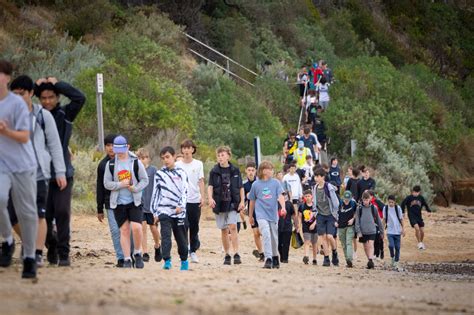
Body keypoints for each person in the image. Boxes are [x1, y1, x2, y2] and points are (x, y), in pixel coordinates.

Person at [7, 75, 66, 268]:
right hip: (13, 171)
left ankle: (37, 253)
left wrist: (60, 172)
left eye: (22, 94)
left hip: (39, 172)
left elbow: (55, 145)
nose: (18, 97)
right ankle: (31, 243)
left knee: (39, 214)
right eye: (14, 94)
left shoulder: (43, 115)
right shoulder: (8, 114)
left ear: (31, 93)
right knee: (11, 213)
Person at [34, 76, 86, 266]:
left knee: (63, 212)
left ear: (57, 97)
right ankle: (52, 244)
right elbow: (19, 98)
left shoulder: (65, 114)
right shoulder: (35, 116)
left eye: (51, 97)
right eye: (43, 98)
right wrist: (35, 86)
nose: (47, 101)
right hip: (41, 173)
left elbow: (80, 98)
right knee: (44, 216)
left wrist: (57, 85)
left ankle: (64, 253)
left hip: (64, 172)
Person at [0, 60, 38, 278]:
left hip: (23, 164)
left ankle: (30, 257)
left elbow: (24, 136)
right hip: (2, 164)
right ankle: (7, 240)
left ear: (6, 77)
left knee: (26, 212)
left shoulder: (16, 104)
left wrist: (5, 132)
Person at [104, 135, 149, 269]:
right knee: (123, 230)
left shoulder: (135, 162)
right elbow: (106, 183)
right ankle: (127, 259)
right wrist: (119, 184)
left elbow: (145, 180)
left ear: (127, 147)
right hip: (118, 202)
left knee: (137, 227)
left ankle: (137, 252)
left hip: (134, 201)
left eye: (122, 149)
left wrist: (135, 188)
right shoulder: (110, 164)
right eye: (117, 149)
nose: (119, 152)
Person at [150, 146, 189, 270]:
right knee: (165, 235)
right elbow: (155, 193)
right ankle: (167, 260)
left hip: (179, 212)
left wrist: (181, 205)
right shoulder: (159, 174)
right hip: (164, 210)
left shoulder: (182, 173)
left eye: (167, 157)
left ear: (173, 156)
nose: (165, 160)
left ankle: (184, 261)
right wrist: (154, 212)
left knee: (181, 238)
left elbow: (185, 191)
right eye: (163, 158)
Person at [208, 146, 244, 265]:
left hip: (233, 203)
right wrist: (210, 198)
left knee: (233, 227)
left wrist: (242, 201)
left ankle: (236, 253)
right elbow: (210, 186)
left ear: (228, 156)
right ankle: (227, 254)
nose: (220, 157)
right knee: (223, 230)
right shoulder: (214, 171)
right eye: (218, 156)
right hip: (219, 203)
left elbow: (240, 187)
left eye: (223, 155)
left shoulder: (235, 170)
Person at [97, 134, 129, 267]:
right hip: (110, 203)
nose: (111, 148)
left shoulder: (125, 161)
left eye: (113, 145)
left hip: (126, 201)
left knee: (126, 229)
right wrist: (99, 208)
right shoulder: (102, 165)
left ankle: (129, 255)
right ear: (105, 147)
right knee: (115, 230)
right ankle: (121, 257)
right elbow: (100, 186)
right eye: (108, 145)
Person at [248, 161, 286, 269]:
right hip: (261, 214)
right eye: (270, 169)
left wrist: (283, 207)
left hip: (273, 214)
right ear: (264, 171)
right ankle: (268, 258)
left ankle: (275, 257)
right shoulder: (256, 184)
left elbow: (280, 196)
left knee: (274, 236)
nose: (272, 171)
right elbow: (252, 201)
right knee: (266, 234)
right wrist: (250, 216)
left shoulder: (276, 183)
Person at [175, 139, 205, 263]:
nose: (186, 150)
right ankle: (185, 249)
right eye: (184, 148)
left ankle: (193, 251)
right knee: (184, 225)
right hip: (182, 201)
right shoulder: (177, 165)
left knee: (194, 226)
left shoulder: (198, 164)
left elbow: (201, 181)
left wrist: (203, 197)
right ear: (182, 150)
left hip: (195, 200)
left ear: (193, 150)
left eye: (189, 148)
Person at [136, 147, 162, 263]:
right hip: (140, 205)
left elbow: (159, 186)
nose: (143, 160)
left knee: (153, 228)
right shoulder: (135, 171)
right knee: (142, 229)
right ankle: (145, 252)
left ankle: (157, 245)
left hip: (152, 206)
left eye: (145, 158)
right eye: (141, 158)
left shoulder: (154, 170)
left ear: (149, 159)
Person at [312, 167, 340, 267]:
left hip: (330, 216)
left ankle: (335, 252)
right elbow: (314, 202)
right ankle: (326, 258)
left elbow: (336, 203)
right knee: (322, 237)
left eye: (318, 176)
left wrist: (336, 215)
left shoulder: (329, 187)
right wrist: (314, 212)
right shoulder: (314, 188)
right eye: (315, 176)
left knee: (330, 236)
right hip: (320, 215)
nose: (316, 178)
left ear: (323, 177)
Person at [355, 191, 384, 269]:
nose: (365, 202)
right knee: (365, 247)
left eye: (367, 200)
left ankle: (371, 259)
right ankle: (370, 261)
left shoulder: (373, 208)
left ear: (369, 199)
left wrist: (382, 231)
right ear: (362, 199)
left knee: (371, 245)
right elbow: (357, 221)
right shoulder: (359, 208)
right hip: (363, 231)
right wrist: (358, 232)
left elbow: (378, 220)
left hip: (372, 230)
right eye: (364, 200)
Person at [243, 161, 263, 261]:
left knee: (263, 231)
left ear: (256, 171)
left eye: (252, 170)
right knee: (256, 233)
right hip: (252, 212)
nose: (251, 172)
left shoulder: (260, 182)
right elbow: (243, 199)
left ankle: (269, 252)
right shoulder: (244, 185)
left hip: (262, 210)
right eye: (249, 170)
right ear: (246, 171)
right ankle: (261, 253)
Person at [401, 185, 432, 250]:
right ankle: (419, 243)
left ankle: (421, 242)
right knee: (417, 229)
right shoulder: (409, 198)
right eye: (414, 192)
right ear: (412, 191)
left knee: (422, 231)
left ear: (419, 192)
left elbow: (425, 204)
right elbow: (403, 204)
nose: (415, 193)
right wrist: (403, 212)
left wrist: (429, 211)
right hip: (411, 216)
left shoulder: (421, 198)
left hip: (419, 216)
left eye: (417, 192)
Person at [383, 195, 405, 269]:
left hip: (398, 231)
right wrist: (382, 229)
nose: (391, 204)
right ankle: (392, 257)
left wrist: (403, 229)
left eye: (392, 202)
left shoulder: (397, 208)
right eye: (389, 202)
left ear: (395, 202)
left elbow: (401, 219)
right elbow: (384, 219)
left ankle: (396, 262)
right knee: (391, 246)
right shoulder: (385, 208)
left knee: (398, 247)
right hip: (390, 231)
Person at [336, 191, 357, 267]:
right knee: (344, 244)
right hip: (341, 226)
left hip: (349, 226)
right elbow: (335, 212)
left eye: (348, 199)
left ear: (351, 198)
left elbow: (356, 213)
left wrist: (353, 219)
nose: (346, 201)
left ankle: (349, 259)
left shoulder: (353, 204)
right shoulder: (339, 203)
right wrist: (335, 221)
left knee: (348, 242)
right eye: (345, 199)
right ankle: (347, 261)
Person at [298, 190, 318, 265]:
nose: (307, 198)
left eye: (308, 196)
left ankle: (314, 259)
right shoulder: (302, 206)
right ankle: (306, 256)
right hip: (305, 226)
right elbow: (300, 217)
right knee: (307, 241)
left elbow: (318, 217)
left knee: (314, 243)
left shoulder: (315, 205)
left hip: (315, 226)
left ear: (312, 196)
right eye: (306, 196)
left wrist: (314, 224)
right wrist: (299, 226)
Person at [278, 191, 296, 263]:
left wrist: (296, 225)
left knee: (286, 243)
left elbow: (293, 215)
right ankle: (282, 256)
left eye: (285, 194)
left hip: (287, 226)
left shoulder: (289, 204)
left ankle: (285, 258)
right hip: (278, 227)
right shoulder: (276, 203)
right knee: (278, 243)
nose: (284, 196)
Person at [369, 190, 385, 260]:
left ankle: (381, 251)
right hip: (371, 223)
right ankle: (375, 254)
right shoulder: (367, 203)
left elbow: (384, 208)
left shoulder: (377, 202)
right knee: (374, 239)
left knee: (379, 239)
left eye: (368, 196)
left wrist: (382, 218)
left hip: (379, 222)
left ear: (372, 196)